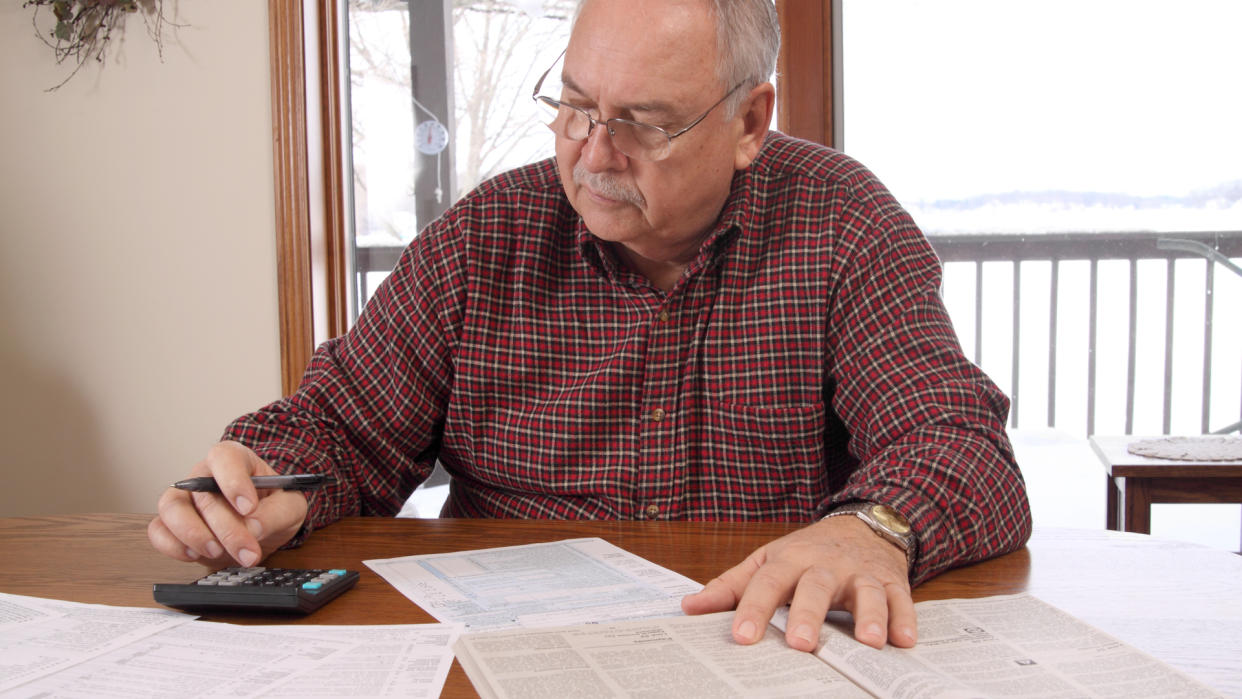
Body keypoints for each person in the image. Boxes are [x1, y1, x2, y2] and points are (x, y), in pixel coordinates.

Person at [149, 0, 1031, 653]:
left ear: (749, 123)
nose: (593, 153)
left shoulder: (842, 223)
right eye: (575, 106)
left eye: (643, 123)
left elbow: (961, 445)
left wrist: (871, 526)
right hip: (504, 654)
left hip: (758, 649)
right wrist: (264, 484)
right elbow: (338, 428)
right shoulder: (487, 233)